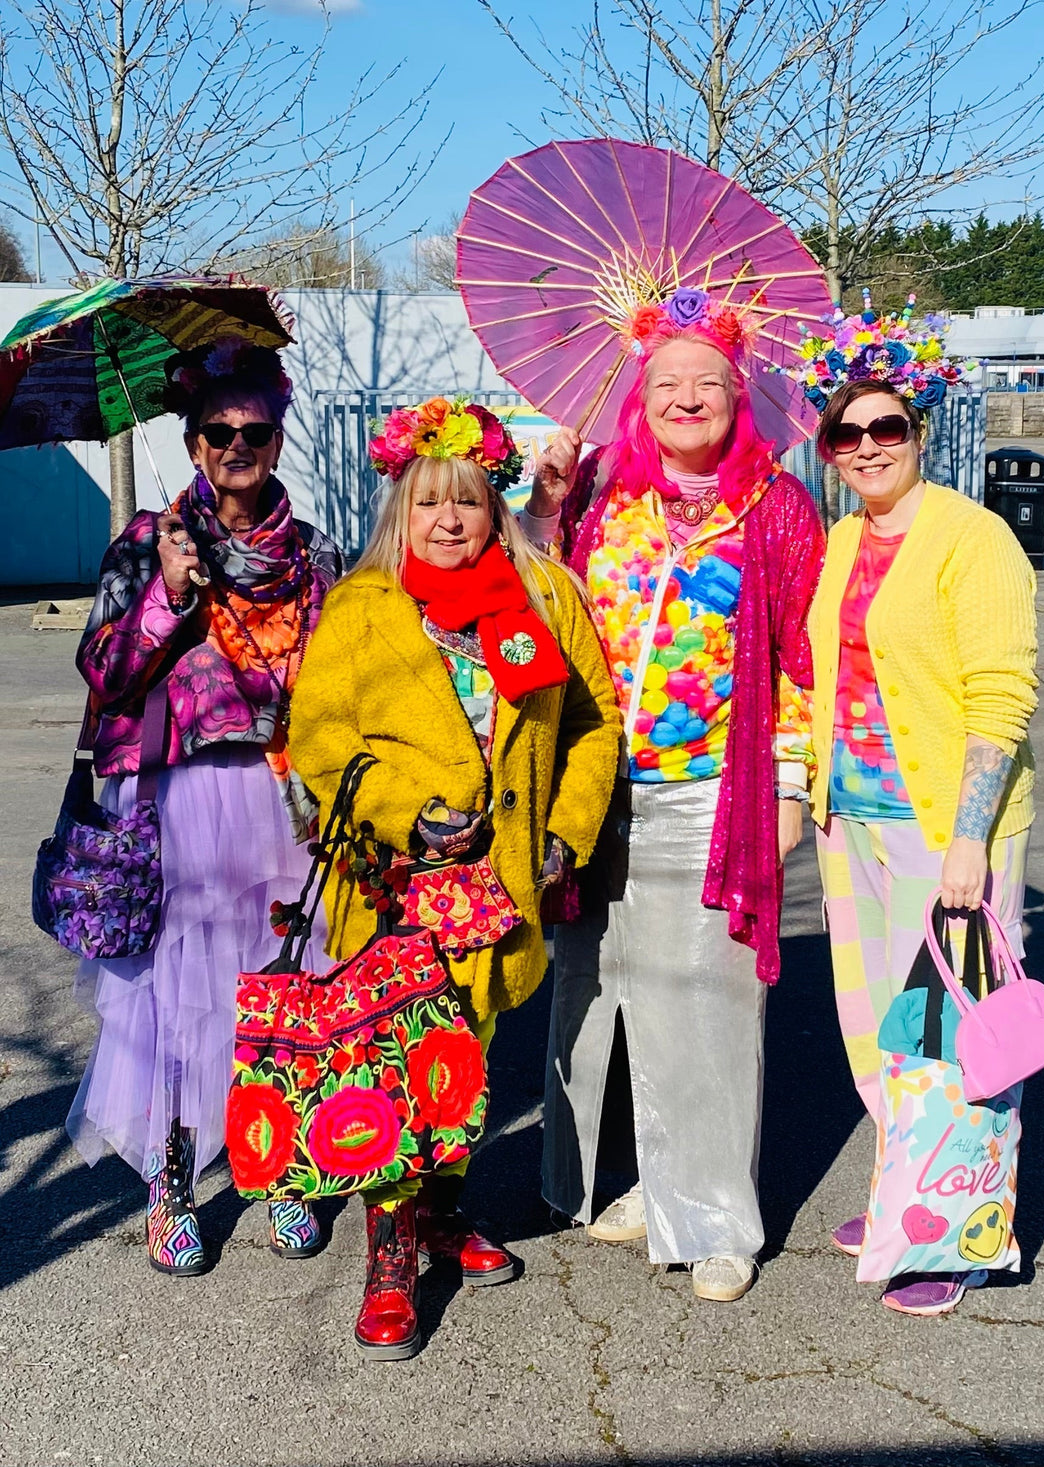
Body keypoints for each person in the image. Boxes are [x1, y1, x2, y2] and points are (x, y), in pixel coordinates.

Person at [288, 397, 620, 1360]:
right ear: (402, 506)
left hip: (501, 880)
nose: (449, 520)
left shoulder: (542, 600)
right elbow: (318, 740)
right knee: (394, 1066)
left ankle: (440, 1213)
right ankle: (390, 1256)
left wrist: (566, 832)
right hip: (395, 882)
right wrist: (404, 810)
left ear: (492, 504)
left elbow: (593, 724)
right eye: (430, 501)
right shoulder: (362, 607)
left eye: (468, 501)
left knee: (463, 1062)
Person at [526, 288, 825, 1302]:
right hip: (595, 790)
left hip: (711, 790)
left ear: (737, 396)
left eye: (705, 381)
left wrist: (788, 784)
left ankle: (712, 1218)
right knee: (597, 986)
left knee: (706, 1001)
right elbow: (528, 610)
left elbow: (802, 661)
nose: (684, 396)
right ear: (637, 396)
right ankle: (633, 1182)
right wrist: (543, 506)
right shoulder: (603, 493)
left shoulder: (776, 508)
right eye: (665, 382)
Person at [68, 338, 343, 1275]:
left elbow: (342, 680)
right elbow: (103, 671)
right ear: (192, 443)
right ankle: (172, 1178)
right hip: (179, 794)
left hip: (280, 796)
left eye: (254, 431)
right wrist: (168, 596)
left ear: (275, 438)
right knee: (178, 998)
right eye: (218, 431)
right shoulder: (150, 542)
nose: (236, 445)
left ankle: (281, 1163)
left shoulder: (313, 554)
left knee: (281, 984)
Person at [797, 297, 1038, 1316]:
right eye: (843, 432)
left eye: (883, 427)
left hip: (942, 826)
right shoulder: (843, 541)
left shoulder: (968, 537)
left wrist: (967, 841)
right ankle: (910, 1191)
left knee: (956, 1032)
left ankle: (960, 1229)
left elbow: (1000, 692)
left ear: (917, 430)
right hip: (849, 818)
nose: (864, 446)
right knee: (877, 1029)